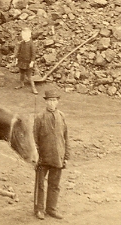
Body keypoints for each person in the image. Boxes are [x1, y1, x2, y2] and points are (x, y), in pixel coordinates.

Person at [32, 84, 69, 220]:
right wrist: (36, 156)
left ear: (57, 101)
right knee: (40, 185)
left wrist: (66, 156)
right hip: (43, 158)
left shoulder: (62, 116)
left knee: (55, 184)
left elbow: (66, 137)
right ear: (45, 101)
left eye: (54, 100)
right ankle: (39, 209)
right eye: (49, 100)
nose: (52, 103)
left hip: (58, 157)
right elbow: (34, 138)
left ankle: (51, 209)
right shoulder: (40, 117)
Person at [17, 27, 36, 93]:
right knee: (21, 73)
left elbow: (33, 54)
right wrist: (17, 59)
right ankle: (21, 84)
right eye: (22, 35)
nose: (23, 37)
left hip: (28, 62)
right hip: (21, 61)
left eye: (25, 35)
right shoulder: (22, 43)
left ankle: (33, 88)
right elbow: (19, 51)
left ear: (29, 35)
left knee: (29, 76)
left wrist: (32, 62)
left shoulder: (31, 44)